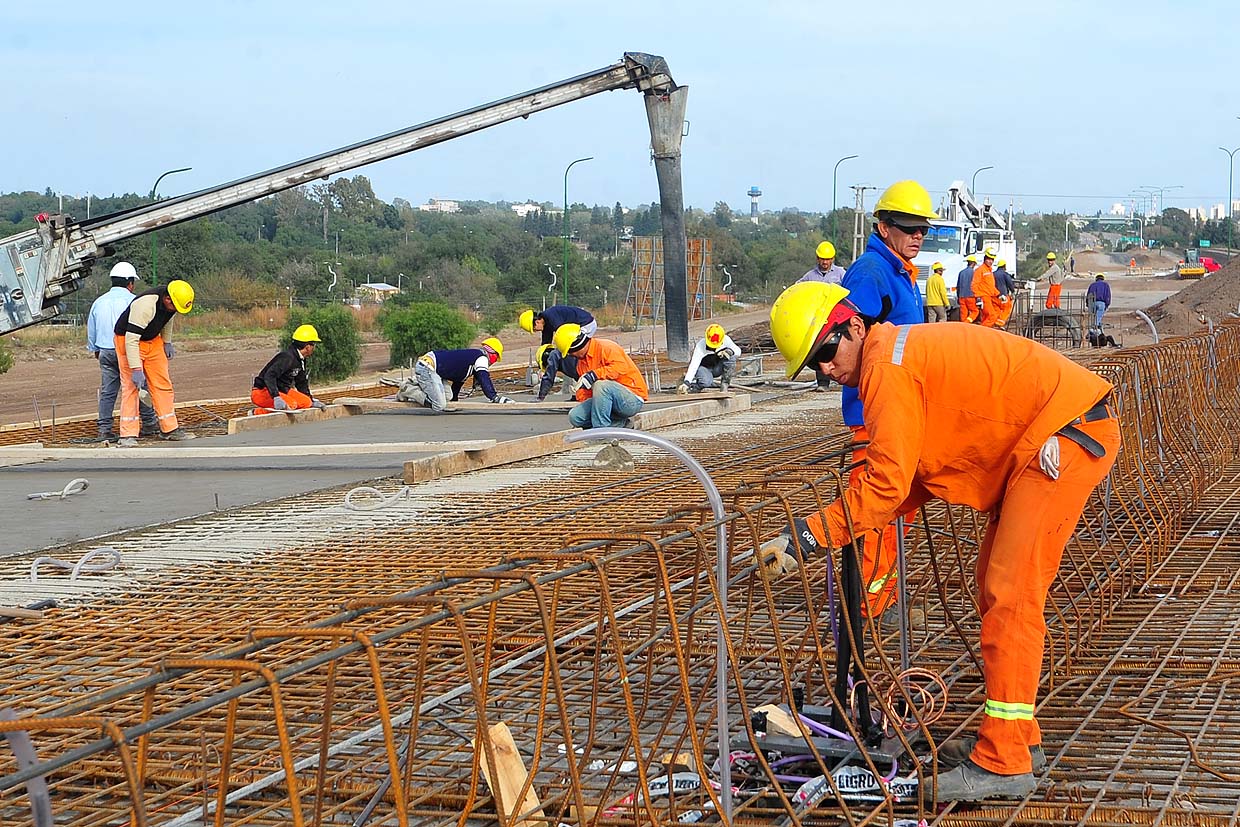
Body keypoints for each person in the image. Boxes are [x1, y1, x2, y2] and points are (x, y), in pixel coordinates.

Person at [766, 281, 1120, 801]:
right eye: (813, 366)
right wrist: (837, 524)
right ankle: (1018, 738)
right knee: (997, 587)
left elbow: (887, 485)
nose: (824, 369)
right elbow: (907, 482)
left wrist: (810, 534)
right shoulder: (893, 358)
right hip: (1054, 433)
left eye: (824, 351)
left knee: (1011, 594)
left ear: (855, 326)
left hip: (1061, 436)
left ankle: (1004, 760)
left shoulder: (886, 368)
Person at [836, 179, 934, 630]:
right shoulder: (872, 273)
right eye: (907, 227)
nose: (917, 235)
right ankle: (864, 613)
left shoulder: (902, 273)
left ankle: (881, 600)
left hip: (902, 413)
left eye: (923, 229)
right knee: (876, 513)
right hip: (874, 417)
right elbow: (846, 339)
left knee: (897, 514)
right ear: (883, 225)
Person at [113, 279, 196, 446]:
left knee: (162, 384)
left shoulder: (171, 304)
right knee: (131, 387)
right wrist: (136, 368)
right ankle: (127, 434)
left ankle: (169, 429)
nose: (176, 311)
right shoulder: (146, 305)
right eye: (175, 307)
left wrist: (167, 341)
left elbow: (168, 319)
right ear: (167, 299)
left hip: (153, 340)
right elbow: (131, 339)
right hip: (128, 341)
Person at [85, 262, 159, 441]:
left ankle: (104, 429)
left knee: (108, 392)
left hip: (105, 352)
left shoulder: (98, 302)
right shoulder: (134, 301)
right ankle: (149, 423)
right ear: (130, 283)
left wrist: (95, 349)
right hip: (126, 351)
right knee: (137, 387)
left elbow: (91, 330)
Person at [553, 322, 648, 429]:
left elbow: (620, 368)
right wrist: (580, 393)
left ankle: (601, 432)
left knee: (601, 385)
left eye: (570, 352)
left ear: (576, 345)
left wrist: (594, 375)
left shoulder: (606, 347)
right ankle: (621, 425)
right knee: (575, 416)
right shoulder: (581, 363)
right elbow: (588, 395)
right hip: (608, 403)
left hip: (631, 399)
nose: (570, 355)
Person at [410, 338, 513, 412]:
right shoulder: (482, 358)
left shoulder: (471, 360)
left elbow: (458, 382)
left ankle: (423, 387)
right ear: (493, 354)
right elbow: (484, 377)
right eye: (496, 358)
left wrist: (454, 401)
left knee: (448, 398)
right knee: (439, 405)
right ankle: (410, 390)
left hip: (434, 369)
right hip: (427, 367)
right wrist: (494, 397)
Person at [251, 324, 327, 413]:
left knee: (306, 403)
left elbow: (301, 382)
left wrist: (311, 400)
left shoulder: (300, 359)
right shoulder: (287, 357)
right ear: (308, 347)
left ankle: (286, 404)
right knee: (291, 404)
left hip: (282, 391)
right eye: (314, 344)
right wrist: (276, 397)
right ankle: (256, 412)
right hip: (262, 391)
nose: (314, 347)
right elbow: (269, 376)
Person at [800, 241, 846, 388]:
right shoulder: (809, 276)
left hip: (838, 318)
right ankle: (823, 382)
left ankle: (842, 378)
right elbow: (797, 290)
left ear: (833, 259)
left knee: (840, 347)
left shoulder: (841, 274)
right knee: (820, 348)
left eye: (828, 259)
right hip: (819, 320)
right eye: (822, 259)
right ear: (817, 258)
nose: (825, 262)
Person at [971, 249, 1001, 328]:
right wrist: (978, 298)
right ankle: (981, 333)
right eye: (989, 259)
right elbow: (974, 285)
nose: (991, 261)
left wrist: (998, 294)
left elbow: (990, 286)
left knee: (985, 318)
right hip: (983, 297)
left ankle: (983, 335)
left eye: (992, 260)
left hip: (989, 297)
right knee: (992, 316)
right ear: (985, 259)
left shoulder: (989, 271)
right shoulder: (980, 270)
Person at [993, 259, 1016, 328]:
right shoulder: (1005, 274)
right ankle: (1000, 322)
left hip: (994, 295)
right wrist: (1013, 291)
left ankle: (995, 322)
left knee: (997, 309)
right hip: (1004, 295)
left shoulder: (993, 274)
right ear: (1004, 266)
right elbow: (1010, 284)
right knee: (1007, 308)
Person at [956, 254, 979, 323]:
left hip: (961, 296)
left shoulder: (961, 273)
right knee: (975, 311)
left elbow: (958, 286)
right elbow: (976, 286)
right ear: (974, 263)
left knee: (963, 313)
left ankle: (964, 326)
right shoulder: (974, 273)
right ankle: (967, 322)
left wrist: (958, 296)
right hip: (971, 296)